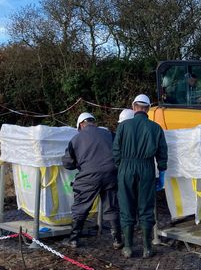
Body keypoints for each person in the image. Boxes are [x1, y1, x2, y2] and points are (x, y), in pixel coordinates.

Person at [113, 94, 168, 258]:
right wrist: (162, 173)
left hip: (126, 168)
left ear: (133, 106)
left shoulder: (123, 126)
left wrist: (121, 167)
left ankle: (128, 247)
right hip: (146, 168)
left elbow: (115, 151)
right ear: (149, 109)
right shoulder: (156, 128)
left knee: (126, 207)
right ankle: (147, 248)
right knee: (146, 208)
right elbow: (162, 153)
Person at [62, 112, 123, 250]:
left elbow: (68, 164)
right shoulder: (109, 134)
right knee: (112, 206)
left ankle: (73, 239)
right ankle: (117, 239)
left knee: (81, 207)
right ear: (93, 122)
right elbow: (119, 152)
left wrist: (81, 163)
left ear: (80, 125)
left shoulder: (76, 139)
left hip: (89, 177)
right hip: (111, 174)